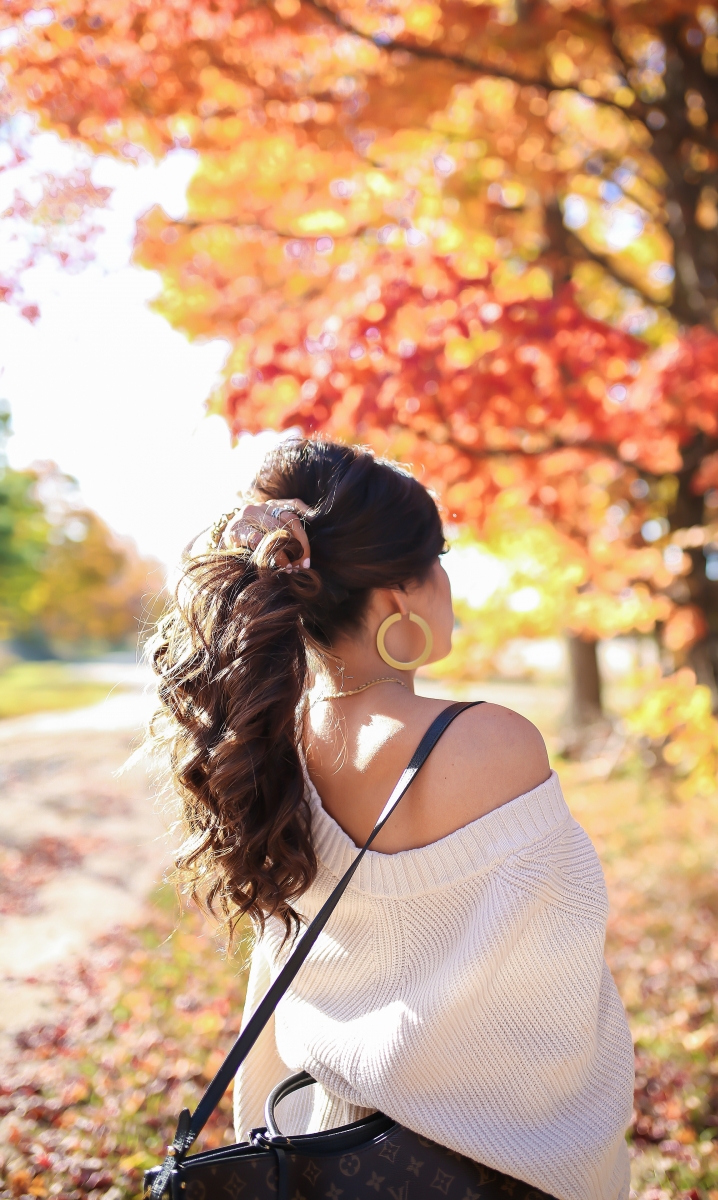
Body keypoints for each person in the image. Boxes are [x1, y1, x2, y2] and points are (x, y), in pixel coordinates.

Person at [148, 437, 633, 1200]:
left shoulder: (265, 740)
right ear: (403, 592)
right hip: (498, 1166)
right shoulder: (490, 741)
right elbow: (562, 987)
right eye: (439, 559)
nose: (448, 583)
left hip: (329, 1152)